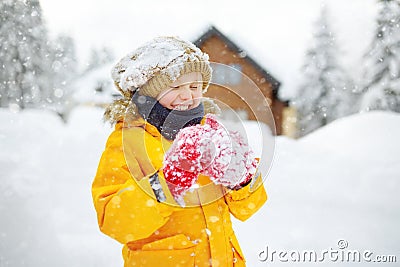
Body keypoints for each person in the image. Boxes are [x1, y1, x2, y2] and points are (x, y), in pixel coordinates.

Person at [92, 36, 267, 267]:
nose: (187, 95)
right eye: (175, 87)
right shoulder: (129, 142)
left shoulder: (209, 131)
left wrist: (241, 177)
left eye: (195, 86)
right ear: (149, 92)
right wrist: (168, 182)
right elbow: (115, 223)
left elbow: (247, 209)